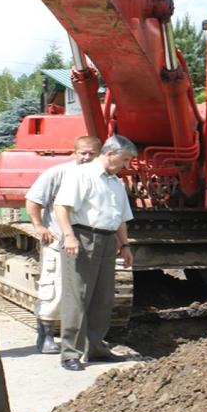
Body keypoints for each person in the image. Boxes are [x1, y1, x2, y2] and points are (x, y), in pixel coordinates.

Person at [53, 134, 136, 371]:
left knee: (103, 297)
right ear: (110, 153)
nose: (127, 165)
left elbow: (121, 218)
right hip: (82, 238)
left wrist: (125, 245)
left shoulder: (115, 183)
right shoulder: (81, 175)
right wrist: (69, 236)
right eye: (125, 159)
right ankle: (70, 353)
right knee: (78, 297)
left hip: (108, 241)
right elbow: (62, 206)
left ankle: (96, 348)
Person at [24, 135, 102, 354]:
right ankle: (46, 333)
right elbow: (33, 200)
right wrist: (39, 226)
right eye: (82, 153)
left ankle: (86, 337)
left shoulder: (101, 177)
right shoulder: (58, 173)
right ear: (74, 153)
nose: (86, 157)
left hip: (88, 243)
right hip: (58, 239)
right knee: (54, 288)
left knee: (86, 292)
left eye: (91, 153)